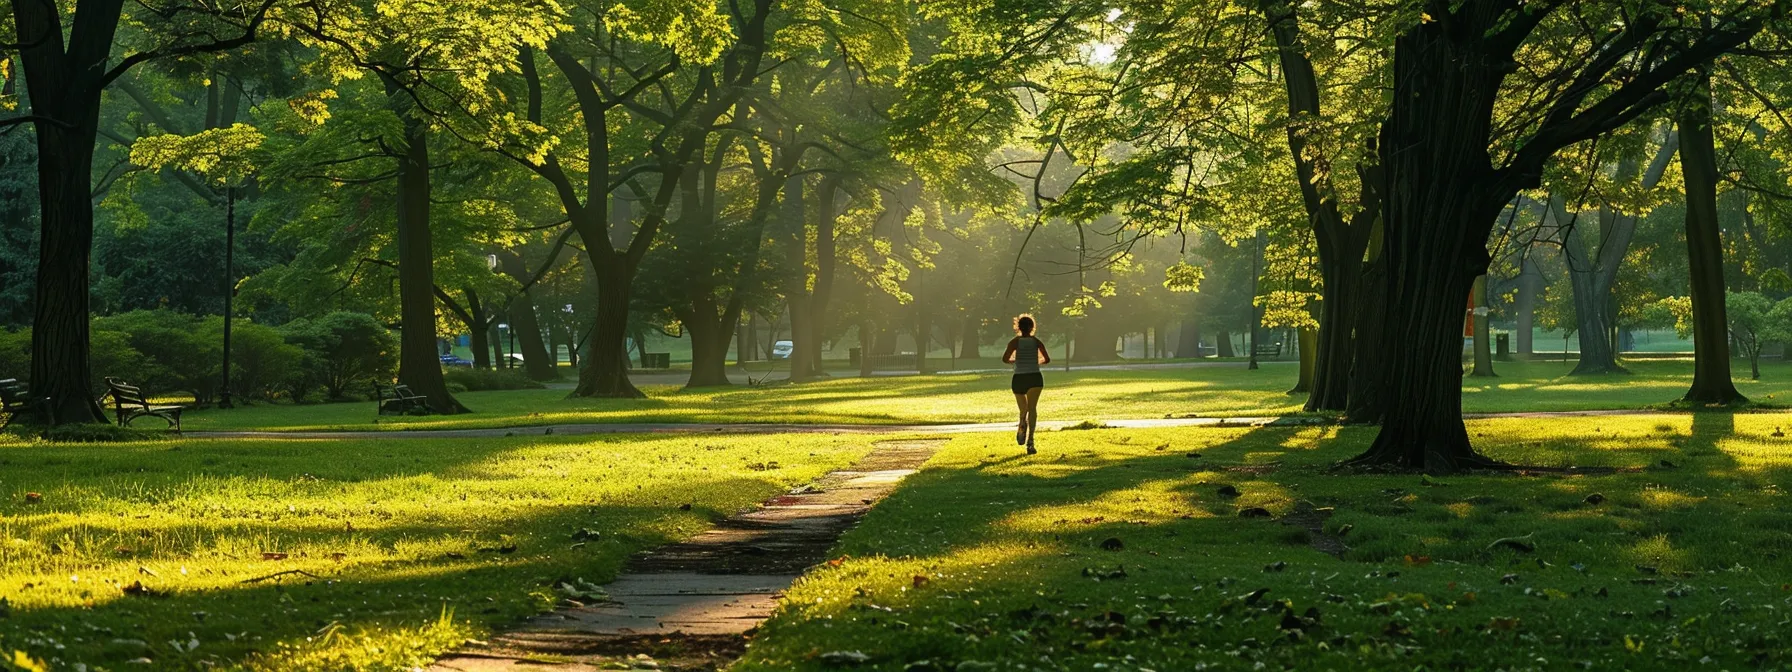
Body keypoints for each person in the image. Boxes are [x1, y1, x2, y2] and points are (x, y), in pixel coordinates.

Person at [1002, 314, 1051, 454]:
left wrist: (1015, 362)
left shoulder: (1014, 342)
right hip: (1034, 377)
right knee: (1033, 408)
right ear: (1032, 327)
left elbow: (1005, 359)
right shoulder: (1036, 342)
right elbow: (1047, 359)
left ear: (1018, 327)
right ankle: (1031, 441)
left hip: (1019, 378)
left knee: (1024, 410)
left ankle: (1022, 422)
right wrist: (1036, 362)